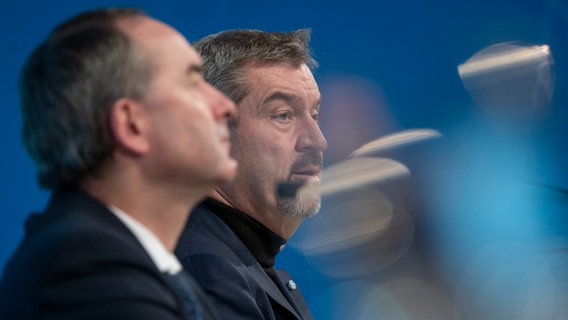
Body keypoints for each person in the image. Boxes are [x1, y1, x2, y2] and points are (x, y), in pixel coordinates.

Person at [0, 7, 237, 320]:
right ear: (131, 125)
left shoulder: (126, 263)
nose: (227, 107)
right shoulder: (89, 276)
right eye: (193, 84)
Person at [175, 29, 327, 320]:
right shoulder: (208, 269)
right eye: (283, 115)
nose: (317, 141)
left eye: (315, 115)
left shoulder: (235, 258)